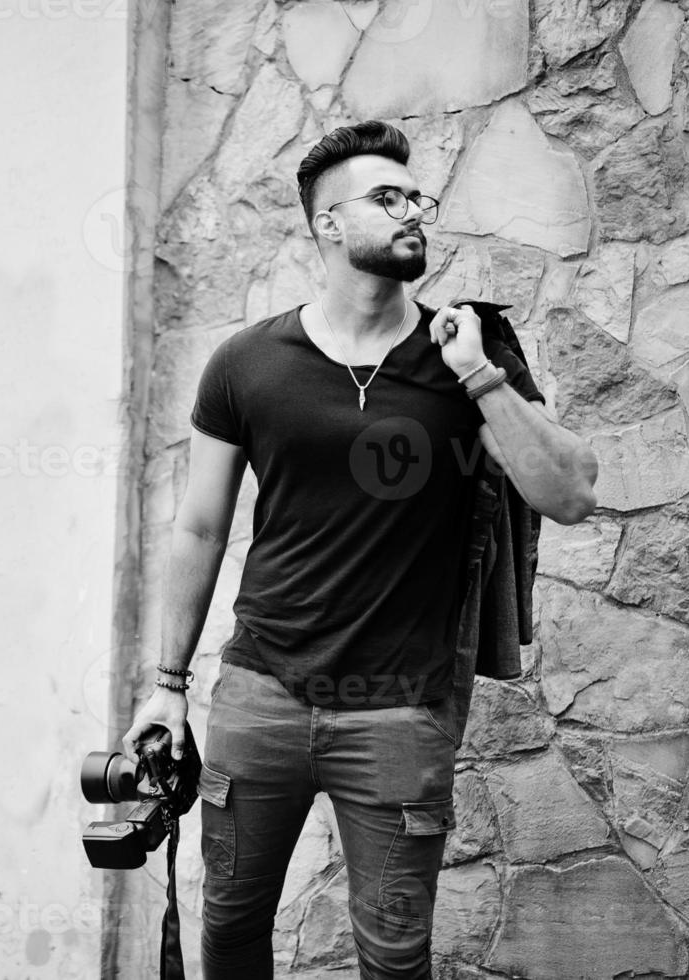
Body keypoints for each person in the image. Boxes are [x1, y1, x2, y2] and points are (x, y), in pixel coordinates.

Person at [122, 120, 598, 979]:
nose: (412, 210)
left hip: (399, 713)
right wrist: (165, 688)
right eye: (386, 197)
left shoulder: (465, 353)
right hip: (258, 695)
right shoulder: (246, 363)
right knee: (228, 932)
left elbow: (569, 494)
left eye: (415, 196)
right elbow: (198, 526)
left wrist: (478, 376)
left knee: (392, 954)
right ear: (328, 224)